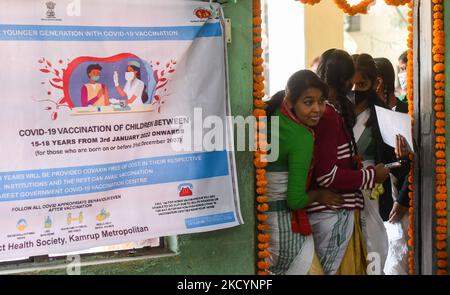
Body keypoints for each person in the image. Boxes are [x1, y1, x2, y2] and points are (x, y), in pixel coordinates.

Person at [308, 49, 390, 275]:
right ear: (345, 81)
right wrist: (371, 175)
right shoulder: (327, 113)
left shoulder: (331, 110)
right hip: (333, 212)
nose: (355, 89)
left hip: (342, 209)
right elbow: (327, 175)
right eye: (352, 83)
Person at [264, 70, 344, 275]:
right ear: (291, 101)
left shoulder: (272, 116)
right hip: (286, 229)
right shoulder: (301, 136)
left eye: (321, 101)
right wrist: (319, 194)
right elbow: (296, 200)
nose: (317, 109)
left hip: (265, 224)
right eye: (308, 102)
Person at [374, 57, 411, 275]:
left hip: (403, 203)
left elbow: (415, 162)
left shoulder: (405, 111)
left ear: (378, 82)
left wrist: (403, 198)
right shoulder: (368, 115)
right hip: (381, 205)